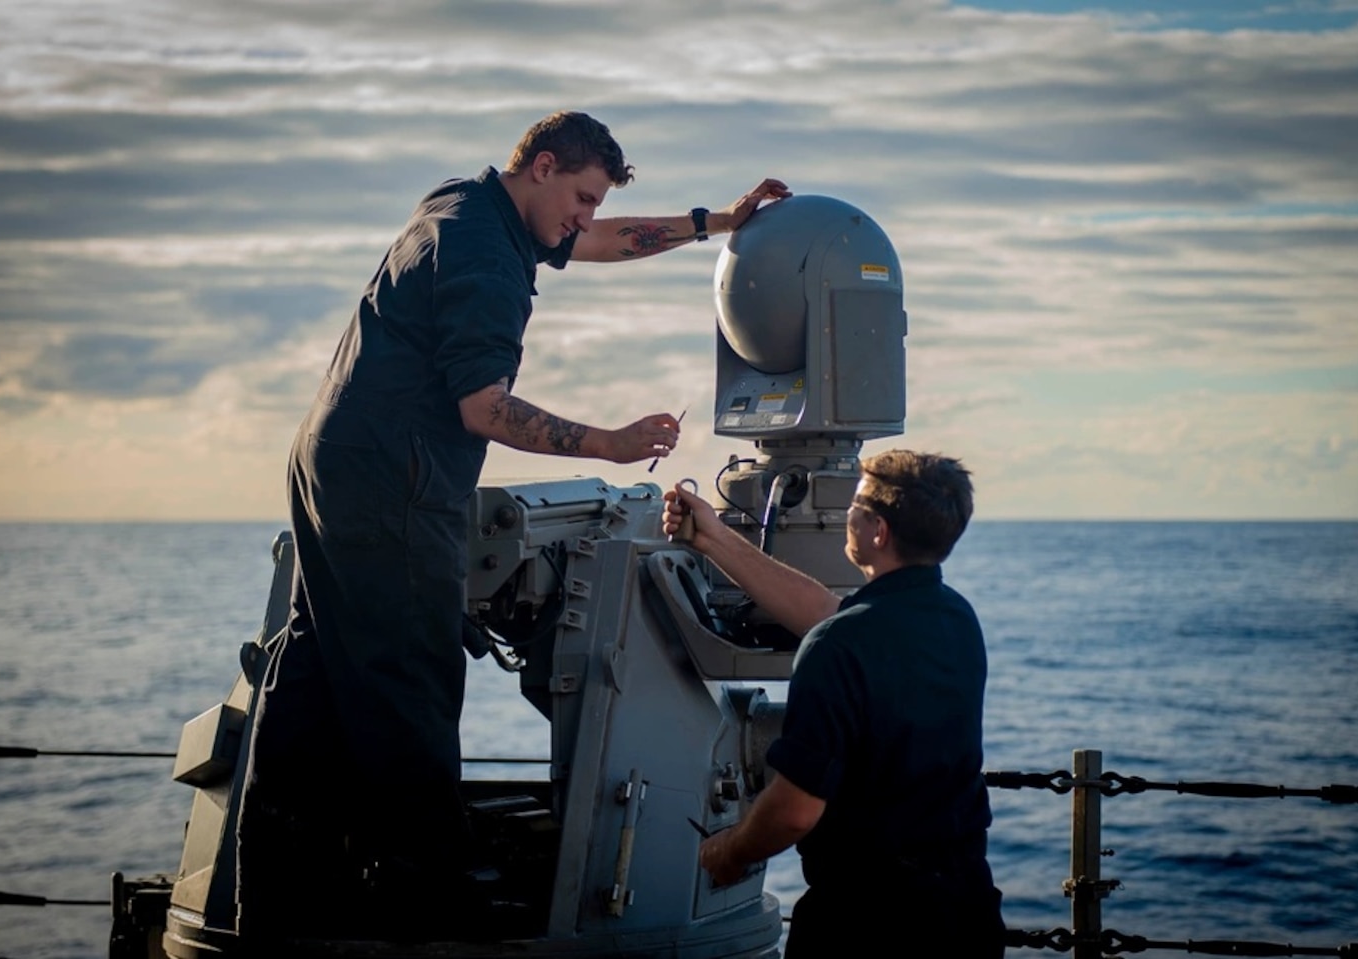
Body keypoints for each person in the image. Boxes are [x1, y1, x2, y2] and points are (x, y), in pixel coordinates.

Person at [236, 109, 790, 939]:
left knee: (315, 669)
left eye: (595, 202)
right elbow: (482, 406)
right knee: (411, 683)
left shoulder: (466, 202)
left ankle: (274, 899)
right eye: (580, 196)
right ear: (540, 166)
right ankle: (432, 903)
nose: (585, 219)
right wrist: (607, 443)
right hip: (394, 481)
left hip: (332, 461)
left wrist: (712, 222)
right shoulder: (486, 256)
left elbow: (605, 244)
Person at [662, 450, 1005, 958]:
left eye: (857, 504)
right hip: (963, 909)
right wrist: (712, 539)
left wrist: (729, 851)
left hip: (867, 923)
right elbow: (828, 612)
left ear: (878, 532)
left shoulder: (837, 646)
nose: (847, 512)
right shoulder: (955, 616)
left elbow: (796, 812)